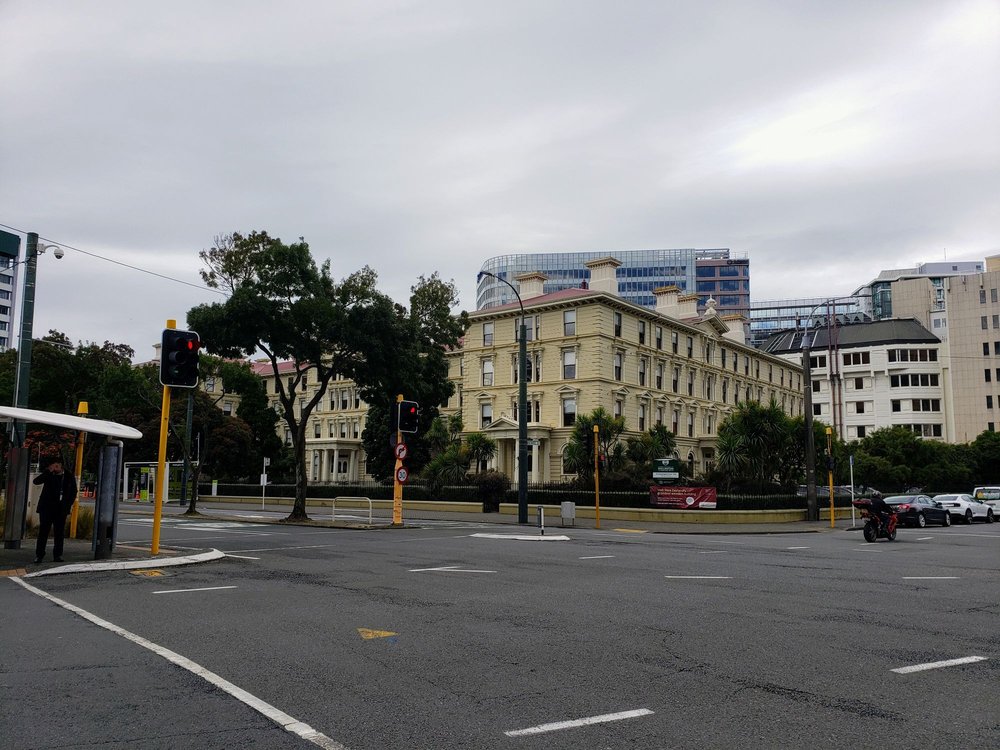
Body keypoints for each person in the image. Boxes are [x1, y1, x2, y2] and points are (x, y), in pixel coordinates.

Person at [33, 457, 78, 564]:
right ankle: (39, 555)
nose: (55, 468)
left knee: (59, 533)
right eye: (53, 466)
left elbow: (73, 491)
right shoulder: (48, 474)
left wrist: (67, 505)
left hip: (61, 509)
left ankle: (58, 554)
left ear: (61, 465)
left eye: (56, 465)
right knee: (43, 532)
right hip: (46, 508)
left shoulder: (68, 476)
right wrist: (48, 471)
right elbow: (36, 481)